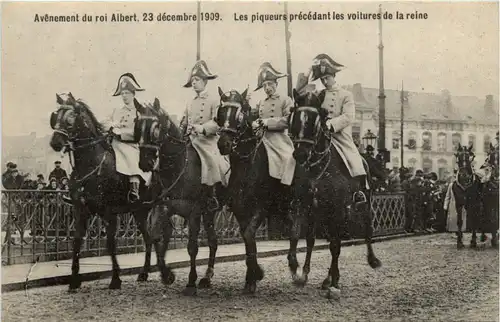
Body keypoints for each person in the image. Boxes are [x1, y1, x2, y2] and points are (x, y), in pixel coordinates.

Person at [295, 53, 368, 206]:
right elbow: (299, 93)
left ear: (334, 76)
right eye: (321, 78)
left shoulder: (346, 95)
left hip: (339, 137)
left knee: (354, 161)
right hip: (319, 136)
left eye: (327, 77)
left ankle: (358, 192)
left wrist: (330, 124)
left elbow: (349, 116)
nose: (324, 80)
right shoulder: (317, 95)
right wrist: (308, 72)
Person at [179, 60, 230, 210]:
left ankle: (212, 195)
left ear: (204, 81)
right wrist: (183, 129)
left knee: (211, 160)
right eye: (193, 80)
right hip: (191, 140)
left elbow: (217, 123)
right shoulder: (189, 102)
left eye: (197, 80)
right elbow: (184, 120)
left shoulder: (214, 100)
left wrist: (201, 128)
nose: (194, 83)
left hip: (208, 141)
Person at [103, 73, 152, 202]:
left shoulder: (139, 112)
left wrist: (120, 133)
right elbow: (105, 122)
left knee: (131, 157)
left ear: (133, 94)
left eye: (127, 93)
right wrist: (112, 126)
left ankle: (134, 188)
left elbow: (137, 132)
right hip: (113, 142)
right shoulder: (116, 111)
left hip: (129, 144)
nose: (124, 96)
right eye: (123, 93)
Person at [251, 62, 295, 186]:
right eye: (264, 85)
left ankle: (287, 190)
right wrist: (255, 123)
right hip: (262, 139)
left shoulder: (285, 100)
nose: (267, 88)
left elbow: (288, 120)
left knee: (288, 160)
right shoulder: (261, 102)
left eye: (270, 84)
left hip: (279, 140)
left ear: (276, 84)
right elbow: (254, 117)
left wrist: (266, 122)